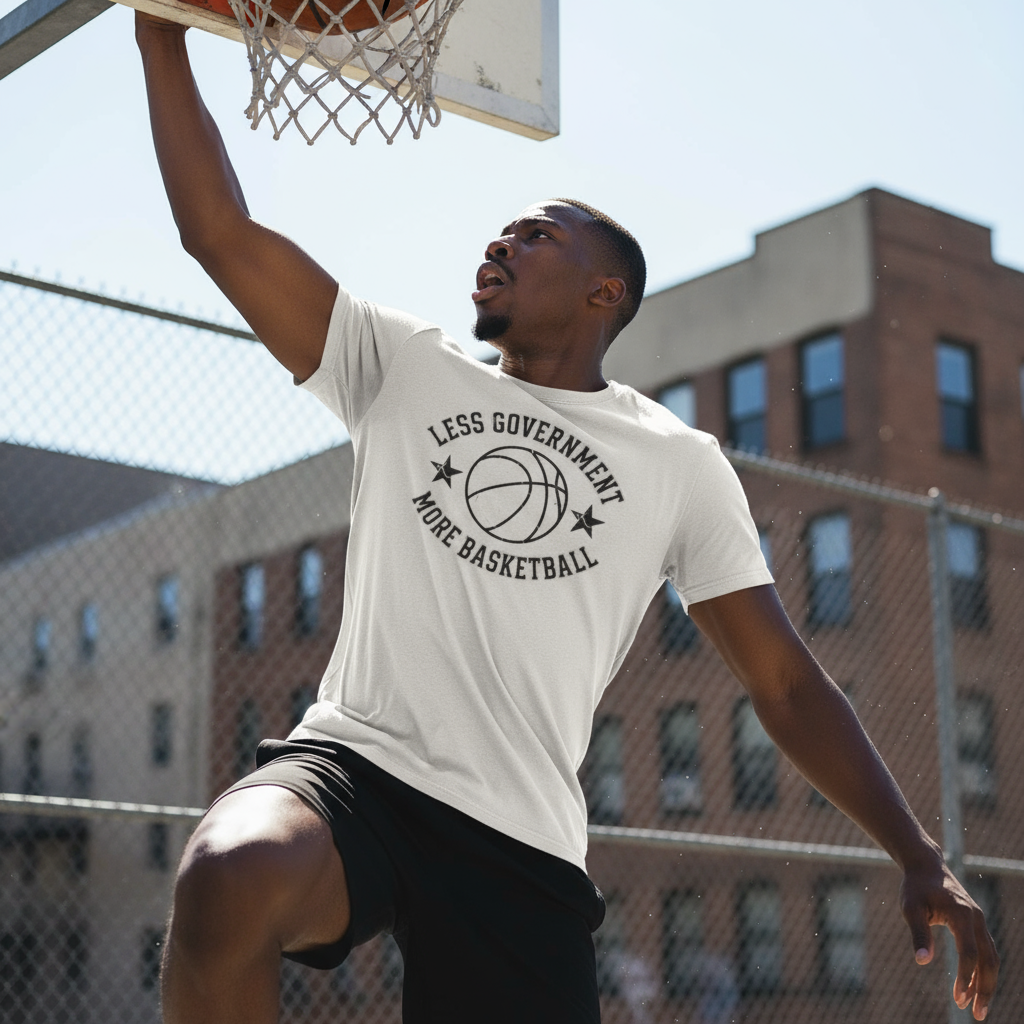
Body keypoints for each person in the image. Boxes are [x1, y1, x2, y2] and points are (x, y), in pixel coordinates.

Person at [135, 12, 999, 1023]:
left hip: (515, 833)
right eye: (501, 230)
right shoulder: (403, 365)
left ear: (604, 291)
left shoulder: (675, 461)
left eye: (535, 232)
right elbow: (218, 233)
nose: (500, 239)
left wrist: (917, 851)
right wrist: (161, 37)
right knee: (227, 875)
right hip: (359, 767)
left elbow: (782, 682)